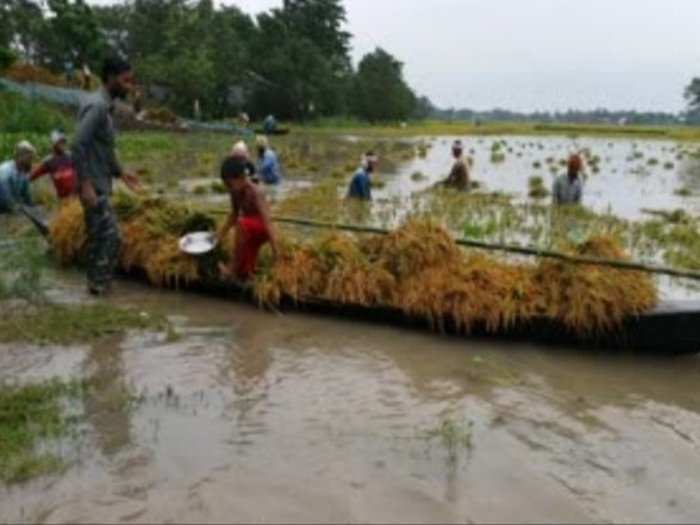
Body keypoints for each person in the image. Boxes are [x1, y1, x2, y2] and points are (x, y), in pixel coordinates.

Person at [72, 56, 141, 296]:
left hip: (100, 180)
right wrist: (86, 185)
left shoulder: (106, 108)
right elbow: (78, 144)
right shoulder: (98, 106)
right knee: (112, 237)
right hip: (93, 185)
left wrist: (122, 173)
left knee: (99, 237)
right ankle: (99, 287)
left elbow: (102, 149)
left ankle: (96, 287)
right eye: (126, 80)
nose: (129, 86)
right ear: (111, 77)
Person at [218, 156, 277, 281]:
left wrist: (276, 251)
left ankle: (231, 268)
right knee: (244, 272)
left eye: (229, 183)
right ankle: (242, 273)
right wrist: (219, 235)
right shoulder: (234, 191)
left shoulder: (256, 192)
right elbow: (234, 214)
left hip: (260, 228)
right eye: (226, 184)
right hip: (247, 229)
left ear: (240, 178)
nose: (228, 187)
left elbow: (268, 222)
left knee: (241, 224)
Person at [30, 130, 78, 201]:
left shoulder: (71, 156)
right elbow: (32, 175)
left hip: (77, 197)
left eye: (63, 142)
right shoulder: (49, 161)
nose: (62, 144)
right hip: (63, 200)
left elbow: (83, 170)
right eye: (60, 142)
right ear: (54, 144)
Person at [0, 141, 36, 213]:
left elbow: (26, 195)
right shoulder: (6, 170)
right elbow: (6, 197)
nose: (30, 160)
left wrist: (32, 206)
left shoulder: (23, 173)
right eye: (29, 157)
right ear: (20, 156)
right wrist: (16, 208)